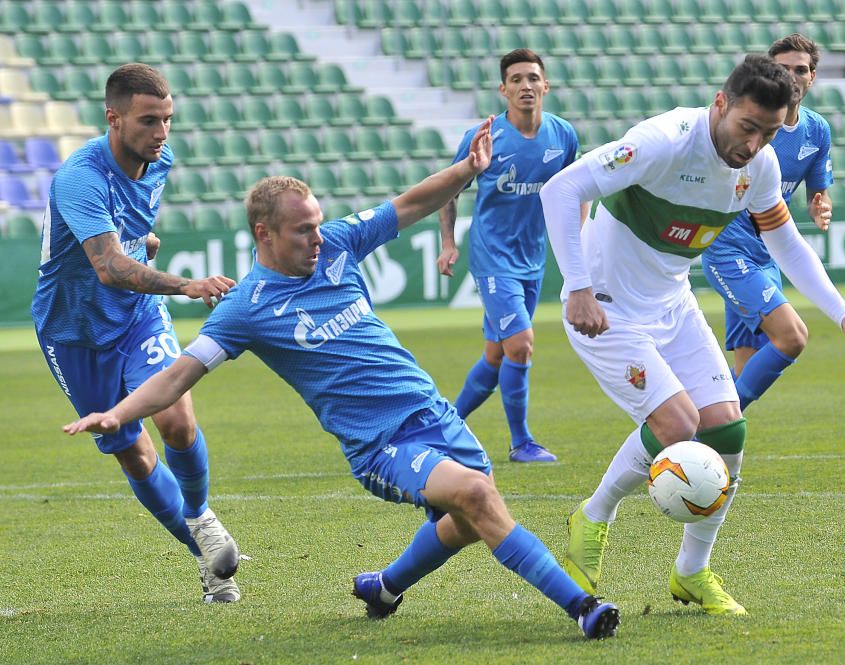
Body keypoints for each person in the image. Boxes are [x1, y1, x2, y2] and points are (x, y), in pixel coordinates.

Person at [63, 119, 621, 639]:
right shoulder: (245, 310)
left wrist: (466, 172)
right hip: (379, 445)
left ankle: (384, 587)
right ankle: (582, 607)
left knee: (470, 519)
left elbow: (409, 204)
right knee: (477, 496)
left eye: (316, 225)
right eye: (303, 230)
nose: (316, 238)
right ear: (265, 234)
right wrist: (119, 414)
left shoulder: (337, 245)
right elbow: (177, 377)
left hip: (432, 412)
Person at [539, 55, 845, 615]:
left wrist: (841, 313)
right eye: (748, 127)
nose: (754, 145)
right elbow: (559, 189)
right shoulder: (663, 141)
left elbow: (786, 242)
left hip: (672, 304)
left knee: (727, 430)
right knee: (678, 423)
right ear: (721, 103)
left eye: (768, 133)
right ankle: (595, 514)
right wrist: (577, 286)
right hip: (605, 309)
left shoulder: (761, 165)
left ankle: (691, 572)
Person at [32, 63, 241, 603]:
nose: (162, 133)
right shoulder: (79, 176)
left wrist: (141, 243)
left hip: (135, 315)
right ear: (114, 118)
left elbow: (129, 238)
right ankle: (209, 559)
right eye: (149, 121)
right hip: (71, 329)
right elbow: (106, 266)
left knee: (176, 417)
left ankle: (200, 516)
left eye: (168, 120)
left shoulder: (159, 160)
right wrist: (185, 284)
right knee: (133, 451)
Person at [437, 49, 586, 464]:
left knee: (497, 355)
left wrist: (577, 238)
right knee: (520, 345)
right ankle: (521, 442)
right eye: (516, 79)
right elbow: (448, 191)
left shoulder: (563, 135)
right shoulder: (484, 137)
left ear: (546, 85)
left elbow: (579, 189)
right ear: (503, 89)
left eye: (533, 78)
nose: (526, 86)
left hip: (531, 258)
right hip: (492, 258)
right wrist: (448, 244)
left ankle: (442, 427)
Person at [701, 33, 842, 411]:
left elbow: (819, 190)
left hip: (767, 254)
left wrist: (820, 205)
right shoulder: (750, 126)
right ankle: (702, 437)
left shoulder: (817, 131)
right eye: (784, 69)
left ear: (812, 78)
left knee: (748, 365)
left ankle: (703, 446)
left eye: (801, 70)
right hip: (728, 250)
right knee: (789, 337)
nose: (793, 77)